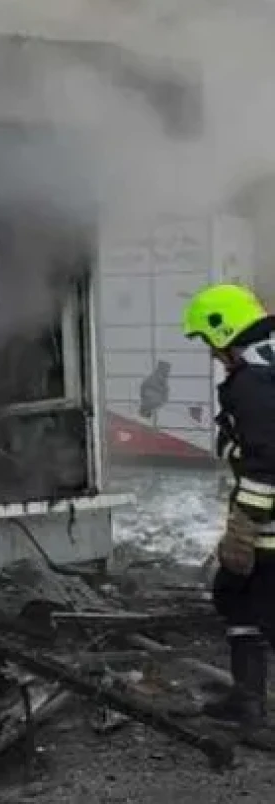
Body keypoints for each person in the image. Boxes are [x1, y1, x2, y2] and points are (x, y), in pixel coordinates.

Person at [183, 283, 275, 748]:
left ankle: (257, 714)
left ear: (225, 331)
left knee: (266, 611)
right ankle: (246, 701)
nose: (212, 353)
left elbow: (266, 461)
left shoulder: (253, 382)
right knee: (235, 596)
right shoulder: (266, 363)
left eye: (209, 340)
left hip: (268, 527)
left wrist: (245, 525)